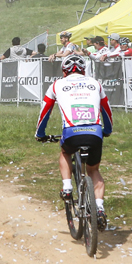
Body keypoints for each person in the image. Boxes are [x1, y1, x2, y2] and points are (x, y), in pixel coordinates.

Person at [35, 54, 113, 230]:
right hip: (95, 132)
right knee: (94, 171)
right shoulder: (95, 83)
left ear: (64, 71)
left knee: (65, 152)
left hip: (71, 132)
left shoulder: (57, 85)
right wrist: (107, 130)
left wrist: (40, 133)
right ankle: (99, 208)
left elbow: (45, 112)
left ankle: (67, 187)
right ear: (83, 70)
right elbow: (107, 110)